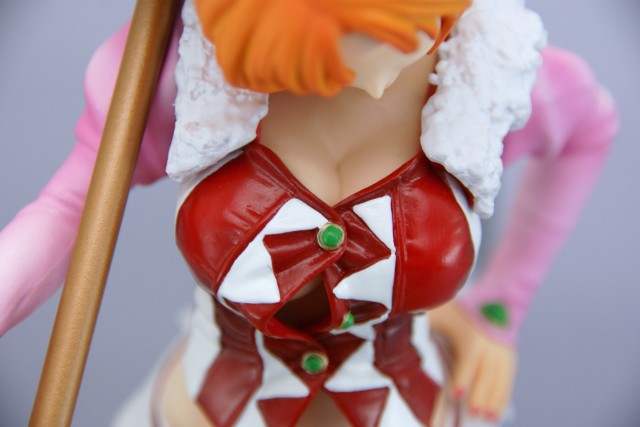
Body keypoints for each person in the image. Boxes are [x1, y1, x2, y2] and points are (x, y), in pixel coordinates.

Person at [0, 0, 618, 426]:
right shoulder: (177, 73)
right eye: (339, 62)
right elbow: (69, 208)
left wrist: (500, 307)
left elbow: (591, 128)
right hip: (201, 409)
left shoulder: (487, 70)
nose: (378, 83)